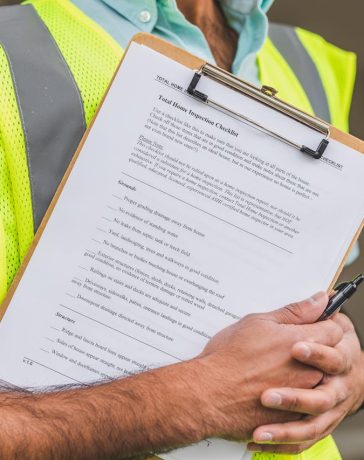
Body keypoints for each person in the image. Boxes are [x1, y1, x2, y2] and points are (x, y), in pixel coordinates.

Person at [0, 0, 362, 458]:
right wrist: (199, 398)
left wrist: (345, 374)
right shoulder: (10, 52)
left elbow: (312, 301)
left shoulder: (304, 58)